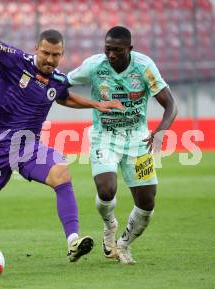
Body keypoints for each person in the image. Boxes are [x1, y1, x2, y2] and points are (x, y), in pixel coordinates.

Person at [0, 12, 124, 270]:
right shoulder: (15, 59)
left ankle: (73, 241)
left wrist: (95, 104)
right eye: (46, 54)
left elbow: (63, 97)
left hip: (29, 145)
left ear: (62, 54)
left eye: (56, 55)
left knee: (61, 173)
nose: (50, 60)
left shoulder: (58, 79)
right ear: (36, 49)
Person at [67, 26, 178, 264]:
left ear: (130, 49)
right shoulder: (95, 66)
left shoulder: (144, 67)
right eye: (107, 49)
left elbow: (171, 105)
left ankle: (124, 244)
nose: (111, 55)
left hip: (138, 140)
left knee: (147, 203)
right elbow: (61, 85)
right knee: (106, 189)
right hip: (104, 137)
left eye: (117, 50)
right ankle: (109, 225)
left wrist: (160, 131)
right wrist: (91, 104)